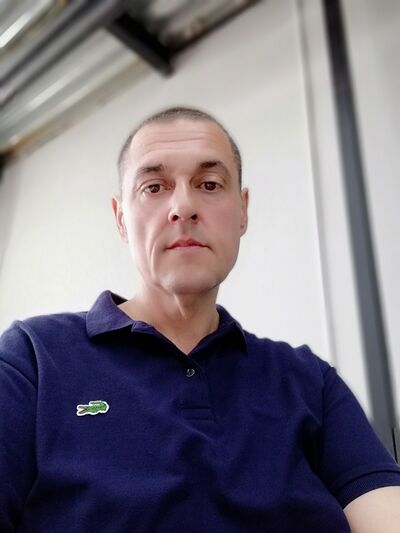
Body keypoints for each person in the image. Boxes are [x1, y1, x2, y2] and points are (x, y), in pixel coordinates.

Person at [0, 107, 399, 532]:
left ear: (242, 211)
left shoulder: (311, 383)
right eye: (154, 187)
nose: (183, 206)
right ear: (121, 219)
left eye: (209, 184)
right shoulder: (32, 361)